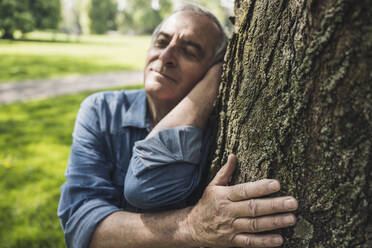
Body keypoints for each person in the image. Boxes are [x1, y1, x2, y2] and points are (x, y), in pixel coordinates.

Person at [58, 3, 298, 248]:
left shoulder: (226, 129)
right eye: (162, 42)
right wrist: (192, 225)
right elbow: (80, 225)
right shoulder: (101, 110)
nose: (166, 56)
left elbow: (146, 184)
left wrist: (216, 79)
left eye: (189, 52)